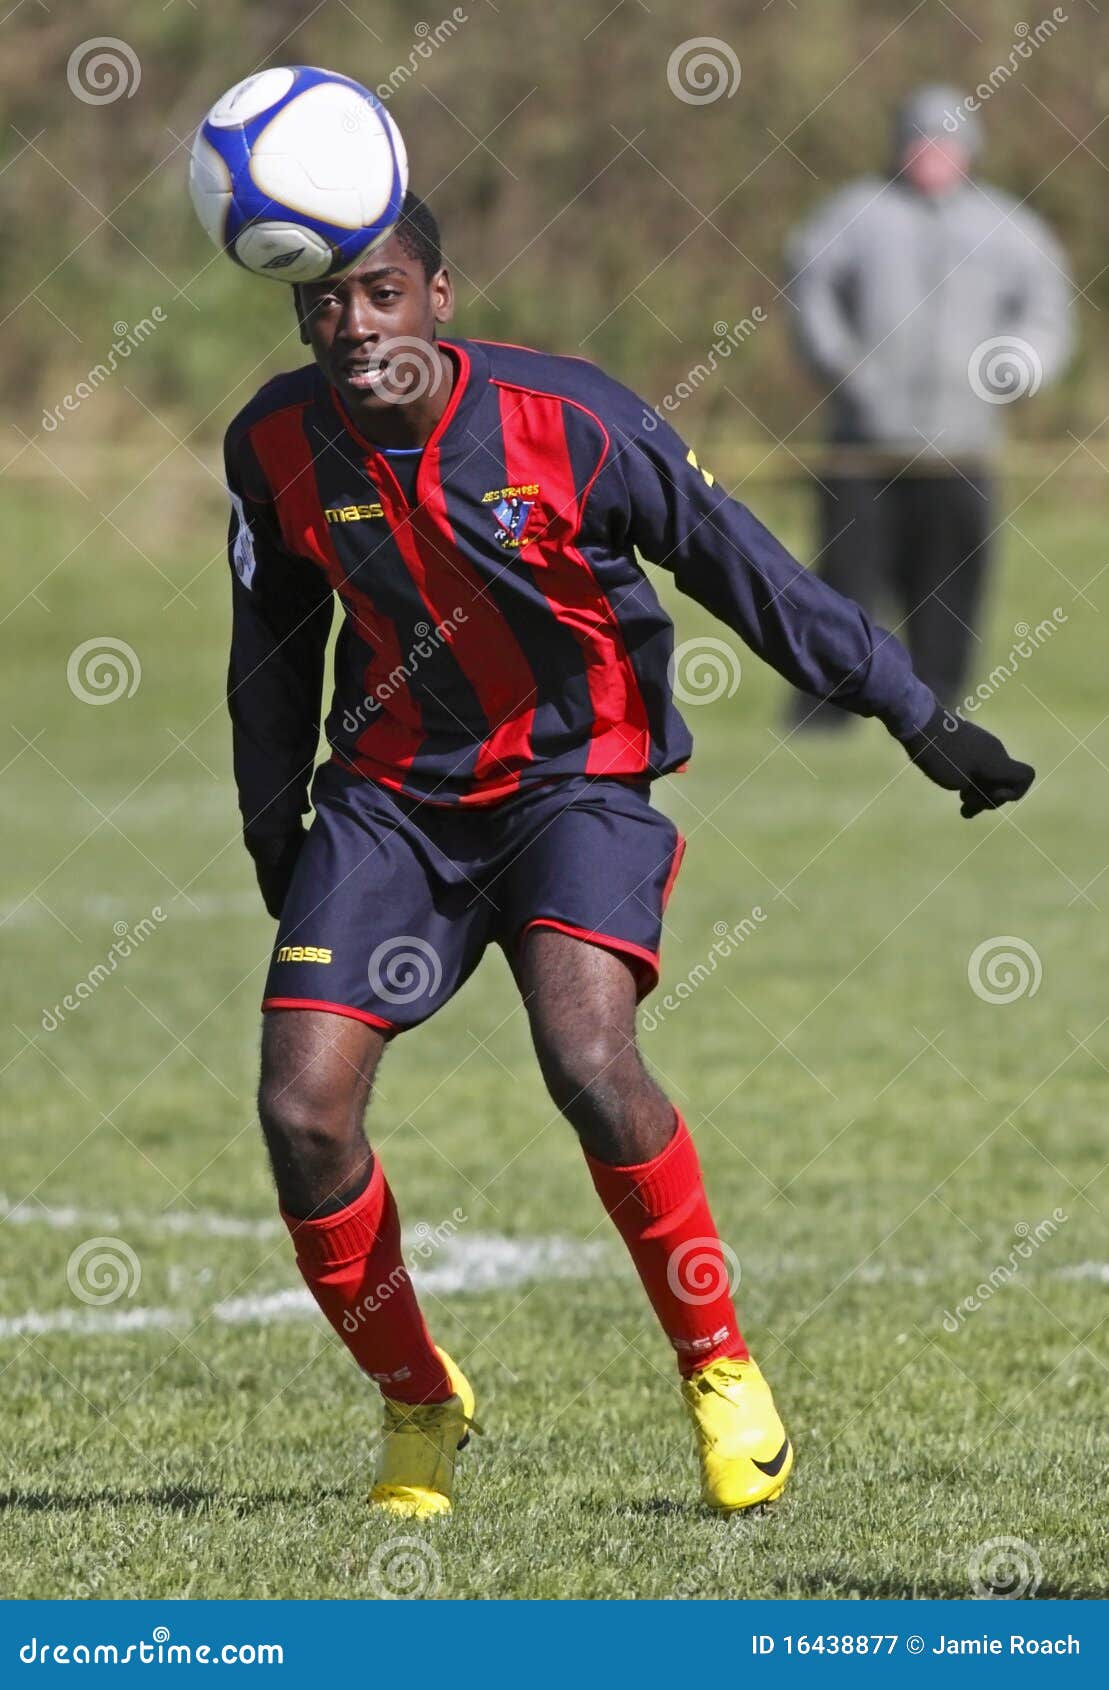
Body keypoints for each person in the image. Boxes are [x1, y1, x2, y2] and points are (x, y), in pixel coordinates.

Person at [223, 190, 1033, 1520]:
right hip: (388, 799)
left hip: (573, 782)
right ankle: (420, 1404)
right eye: (324, 300)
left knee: (590, 1060)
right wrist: (276, 827)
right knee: (302, 1111)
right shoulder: (272, 441)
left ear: (440, 297)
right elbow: (270, 640)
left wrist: (911, 706)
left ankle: (719, 1369)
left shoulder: (575, 421)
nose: (351, 324)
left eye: (380, 293)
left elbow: (742, 565)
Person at [786, 84, 1072, 719]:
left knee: (950, 589)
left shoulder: (1010, 227)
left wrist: (1016, 369)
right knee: (844, 588)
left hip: (961, 448)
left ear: (968, 151)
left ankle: (939, 712)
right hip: (865, 447)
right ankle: (826, 716)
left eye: (945, 145)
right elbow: (810, 290)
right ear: (898, 146)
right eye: (919, 143)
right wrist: (844, 368)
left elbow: (1049, 316)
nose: (931, 157)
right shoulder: (853, 214)